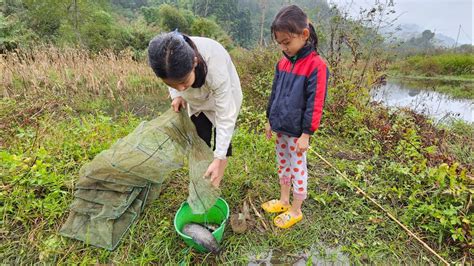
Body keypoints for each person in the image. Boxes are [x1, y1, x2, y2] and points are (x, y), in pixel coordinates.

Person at [147, 31, 242, 188]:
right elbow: (174, 82)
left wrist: (218, 157)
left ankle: (215, 183)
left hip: (222, 100)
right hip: (196, 103)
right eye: (172, 85)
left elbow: (225, 114)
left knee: (222, 140)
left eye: (183, 82)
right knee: (199, 137)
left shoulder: (214, 62)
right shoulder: (166, 61)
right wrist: (177, 95)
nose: (180, 88)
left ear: (195, 62)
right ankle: (201, 179)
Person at [262, 5, 329, 229]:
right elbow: (275, 94)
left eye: (287, 42)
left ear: (304, 35)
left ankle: (296, 209)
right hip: (281, 127)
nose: (284, 47)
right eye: (280, 43)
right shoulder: (282, 63)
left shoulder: (316, 66)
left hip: (298, 132)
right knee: (283, 164)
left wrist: (307, 134)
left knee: (298, 167)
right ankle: (283, 200)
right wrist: (270, 119)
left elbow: (315, 103)